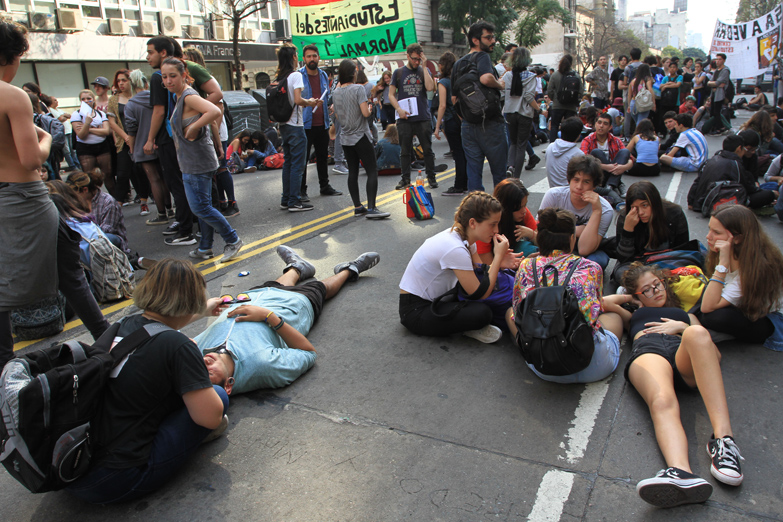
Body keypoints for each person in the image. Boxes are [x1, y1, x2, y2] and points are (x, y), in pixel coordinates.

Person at [65, 258, 229, 505]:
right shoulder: (178, 346)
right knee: (219, 396)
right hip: (115, 479)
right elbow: (210, 417)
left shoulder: (123, 325)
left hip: (72, 466)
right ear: (190, 301)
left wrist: (203, 311)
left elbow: (160, 325)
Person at [601, 263, 744, 508]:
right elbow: (602, 302)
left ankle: (724, 441)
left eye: (657, 284)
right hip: (649, 350)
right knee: (663, 400)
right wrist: (632, 298)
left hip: (683, 352)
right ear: (637, 296)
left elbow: (713, 355)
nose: (656, 291)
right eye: (647, 290)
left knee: (698, 335)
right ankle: (680, 472)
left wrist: (683, 328)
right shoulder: (634, 315)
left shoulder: (686, 315)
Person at [196, 246, 380, 394]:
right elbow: (308, 354)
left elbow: (169, 329)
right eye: (210, 373)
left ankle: (297, 267)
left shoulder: (195, 352)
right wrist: (269, 317)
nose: (205, 363)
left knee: (275, 285)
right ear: (228, 385)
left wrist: (202, 311)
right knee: (319, 288)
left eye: (197, 369)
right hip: (292, 308)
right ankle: (349, 270)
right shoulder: (263, 366)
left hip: (253, 297)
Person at [0, 18, 59, 368]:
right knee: (63, 262)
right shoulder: (13, 95)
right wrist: (46, 138)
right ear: (14, 55)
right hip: (23, 197)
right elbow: (29, 159)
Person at [506, 208, 622, 383]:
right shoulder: (591, 268)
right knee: (613, 317)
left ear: (541, 238)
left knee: (510, 313)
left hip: (544, 366)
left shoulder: (526, 266)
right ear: (572, 238)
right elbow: (595, 311)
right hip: (593, 365)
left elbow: (518, 310)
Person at [398, 191, 522, 343]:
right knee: (482, 313)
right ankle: (465, 328)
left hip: (440, 299)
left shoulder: (464, 238)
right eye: (492, 224)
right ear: (472, 223)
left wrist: (499, 263)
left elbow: (480, 273)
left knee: (483, 303)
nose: (496, 230)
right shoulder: (455, 248)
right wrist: (497, 258)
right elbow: (479, 292)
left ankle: (462, 324)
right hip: (415, 311)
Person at [161, 57, 242, 262]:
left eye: (173, 76)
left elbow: (214, 111)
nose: (168, 81)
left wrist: (194, 127)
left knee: (200, 207)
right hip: (194, 160)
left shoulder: (188, 96)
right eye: (164, 77)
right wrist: (216, 145)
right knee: (203, 207)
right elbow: (212, 123)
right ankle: (205, 247)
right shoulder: (180, 96)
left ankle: (232, 239)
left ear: (184, 75)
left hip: (196, 162)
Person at [697, 205, 783, 349]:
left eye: (716, 232)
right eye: (709, 229)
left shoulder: (756, 268)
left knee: (713, 317)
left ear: (737, 238)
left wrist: (723, 263)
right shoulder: (730, 252)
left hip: (771, 319)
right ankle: (702, 330)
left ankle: (703, 332)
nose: (708, 236)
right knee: (703, 301)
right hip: (747, 307)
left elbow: (707, 307)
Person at [146, 37, 196, 245]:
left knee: (179, 184)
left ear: (163, 53)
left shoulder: (160, 79)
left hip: (170, 138)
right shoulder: (177, 86)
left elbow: (158, 111)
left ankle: (186, 229)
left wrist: (150, 139)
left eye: (150, 52)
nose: (147, 57)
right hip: (176, 136)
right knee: (185, 183)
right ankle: (194, 224)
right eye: (166, 77)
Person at [451, 21, 508, 192]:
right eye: (488, 37)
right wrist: (500, 84)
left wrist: (467, 117)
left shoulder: (457, 64)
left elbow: (454, 99)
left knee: (474, 172)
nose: (493, 41)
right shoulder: (482, 57)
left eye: (493, 37)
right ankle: (501, 213)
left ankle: (478, 211)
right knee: (499, 174)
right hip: (491, 123)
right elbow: (485, 79)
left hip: (468, 126)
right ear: (475, 40)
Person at [331, 59, 390, 219]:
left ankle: (357, 206)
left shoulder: (335, 93)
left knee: (353, 172)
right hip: (361, 136)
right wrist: (370, 108)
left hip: (346, 137)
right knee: (371, 170)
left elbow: (337, 115)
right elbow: (365, 113)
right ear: (353, 73)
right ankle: (372, 208)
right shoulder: (358, 89)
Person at [539, 155, 613, 269]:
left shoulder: (604, 209)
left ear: (594, 185)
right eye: (576, 180)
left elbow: (584, 249)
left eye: (586, 182)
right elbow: (541, 233)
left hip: (589, 248)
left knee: (598, 261)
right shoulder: (554, 195)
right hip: (557, 244)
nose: (579, 187)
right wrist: (582, 229)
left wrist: (597, 211)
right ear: (569, 180)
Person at [612, 181, 689, 283]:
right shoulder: (626, 217)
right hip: (638, 264)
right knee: (621, 273)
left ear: (655, 203)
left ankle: (642, 288)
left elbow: (683, 251)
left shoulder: (674, 213)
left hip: (667, 262)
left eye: (645, 205)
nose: (640, 212)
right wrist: (628, 230)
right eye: (634, 207)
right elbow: (623, 258)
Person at [123, 69, 173, 225]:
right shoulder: (156, 98)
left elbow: (131, 130)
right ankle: (170, 209)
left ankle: (161, 213)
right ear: (146, 82)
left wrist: (132, 148)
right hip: (162, 142)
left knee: (154, 180)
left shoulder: (131, 105)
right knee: (165, 177)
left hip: (143, 145)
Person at [389, 43, 437, 190]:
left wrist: (424, 65)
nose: (416, 62)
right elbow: (391, 95)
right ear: (408, 56)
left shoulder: (424, 70)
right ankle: (405, 179)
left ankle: (432, 177)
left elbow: (429, 88)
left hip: (422, 116)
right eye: (414, 59)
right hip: (405, 117)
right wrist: (399, 109)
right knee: (405, 150)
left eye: (419, 59)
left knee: (427, 149)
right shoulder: (398, 72)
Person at [687, 134, 776, 211]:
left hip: (699, 203)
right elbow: (747, 188)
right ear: (739, 148)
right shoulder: (735, 164)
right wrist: (760, 190)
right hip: (716, 203)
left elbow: (697, 181)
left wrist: (691, 201)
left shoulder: (711, 160)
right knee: (769, 194)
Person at [299, 44, 342, 201]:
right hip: (305, 124)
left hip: (322, 122)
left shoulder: (323, 75)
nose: (312, 59)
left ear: (318, 57)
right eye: (309, 56)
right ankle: (301, 190)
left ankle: (324, 186)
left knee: (322, 156)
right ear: (303, 58)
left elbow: (326, 96)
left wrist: (329, 106)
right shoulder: (299, 75)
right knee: (303, 159)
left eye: (314, 56)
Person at [107, 69, 151, 211]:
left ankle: (144, 200)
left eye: (124, 80)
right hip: (123, 140)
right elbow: (112, 122)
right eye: (118, 81)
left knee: (141, 170)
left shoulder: (137, 96)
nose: (121, 83)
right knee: (122, 171)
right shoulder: (114, 99)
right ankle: (118, 203)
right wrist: (125, 136)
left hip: (140, 137)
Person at [475, 178, 538, 260]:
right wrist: (518, 264)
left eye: (524, 205)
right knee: (528, 249)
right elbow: (486, 267)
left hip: (507, 259)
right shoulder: (485, 224)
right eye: (518, 207)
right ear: (506, 207)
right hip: (495, 263)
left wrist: (532, 234)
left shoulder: (522, 212)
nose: (524, 211)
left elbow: (544, 244)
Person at [433, 51, 467, 196]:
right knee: (464, 153)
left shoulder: (443, 82)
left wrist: (437, 127)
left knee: (457, 153)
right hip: (462, 118)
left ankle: (459, 185)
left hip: (451, 120)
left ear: (441, 66)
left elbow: (442, 105)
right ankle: (466, 182)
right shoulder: (458, 79)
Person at [580, 112, 633, 201]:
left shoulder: (615, 140)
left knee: (625, 151)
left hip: (614, 170)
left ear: (610, 127)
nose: (601, 126)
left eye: (605, 124)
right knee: (596, 152)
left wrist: (624, 167)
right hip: (597, 173)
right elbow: (583, 159)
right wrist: (606, 167)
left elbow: (630, 158)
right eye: (599, 123)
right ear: (595, 124)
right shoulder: (588, 140)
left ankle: (610, 185)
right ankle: (617, 183)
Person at [71, 89, 113, 191]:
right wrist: (88, 123)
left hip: (102, 146)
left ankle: (115, 199)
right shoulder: (76, 115)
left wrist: (88, 129)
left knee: (108, 174)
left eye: (89, 98)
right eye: (83, 99)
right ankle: (92, 199)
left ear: (93, 100)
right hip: (85, 148)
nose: (86, 101)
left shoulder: (100, 114)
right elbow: (81, 135)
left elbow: (106, 131)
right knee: (88, 176)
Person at [547, 54, 582, 142]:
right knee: (568, 127)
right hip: (571, 106)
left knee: (554, 126)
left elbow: (550, 90)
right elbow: (580, 91)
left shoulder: (555, 75)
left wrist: (554, 99)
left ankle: (552, 145)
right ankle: (567, 144)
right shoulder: (576, 75)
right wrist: (575, 101)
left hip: (557, 105)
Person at [545, 116, 584, 188]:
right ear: (579, 135)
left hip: (553, 190)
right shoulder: (578, 154)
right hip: (571, 193)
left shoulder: (550, 147)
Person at [620, 48, 643, 139]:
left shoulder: (628, 67)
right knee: (640, 117)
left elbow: (625, 82)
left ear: (631, 56)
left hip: (630, 94)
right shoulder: (644, 66)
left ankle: (627, 136)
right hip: (642, 94)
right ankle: (639, 135)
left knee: (628, 116)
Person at [706, 53, 731, 135]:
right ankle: (717, 126)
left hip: (720, 94)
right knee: (713, 111)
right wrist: (713, 84)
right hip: (714, 94)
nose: (717, 61)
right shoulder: (716, 70)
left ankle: (720, 127)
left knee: (717, 111)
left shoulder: (725, 70)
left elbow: (718, 82)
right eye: (716, 59)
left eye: (719, 59)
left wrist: (714, 84)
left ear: (723, 60)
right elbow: (710, 82)